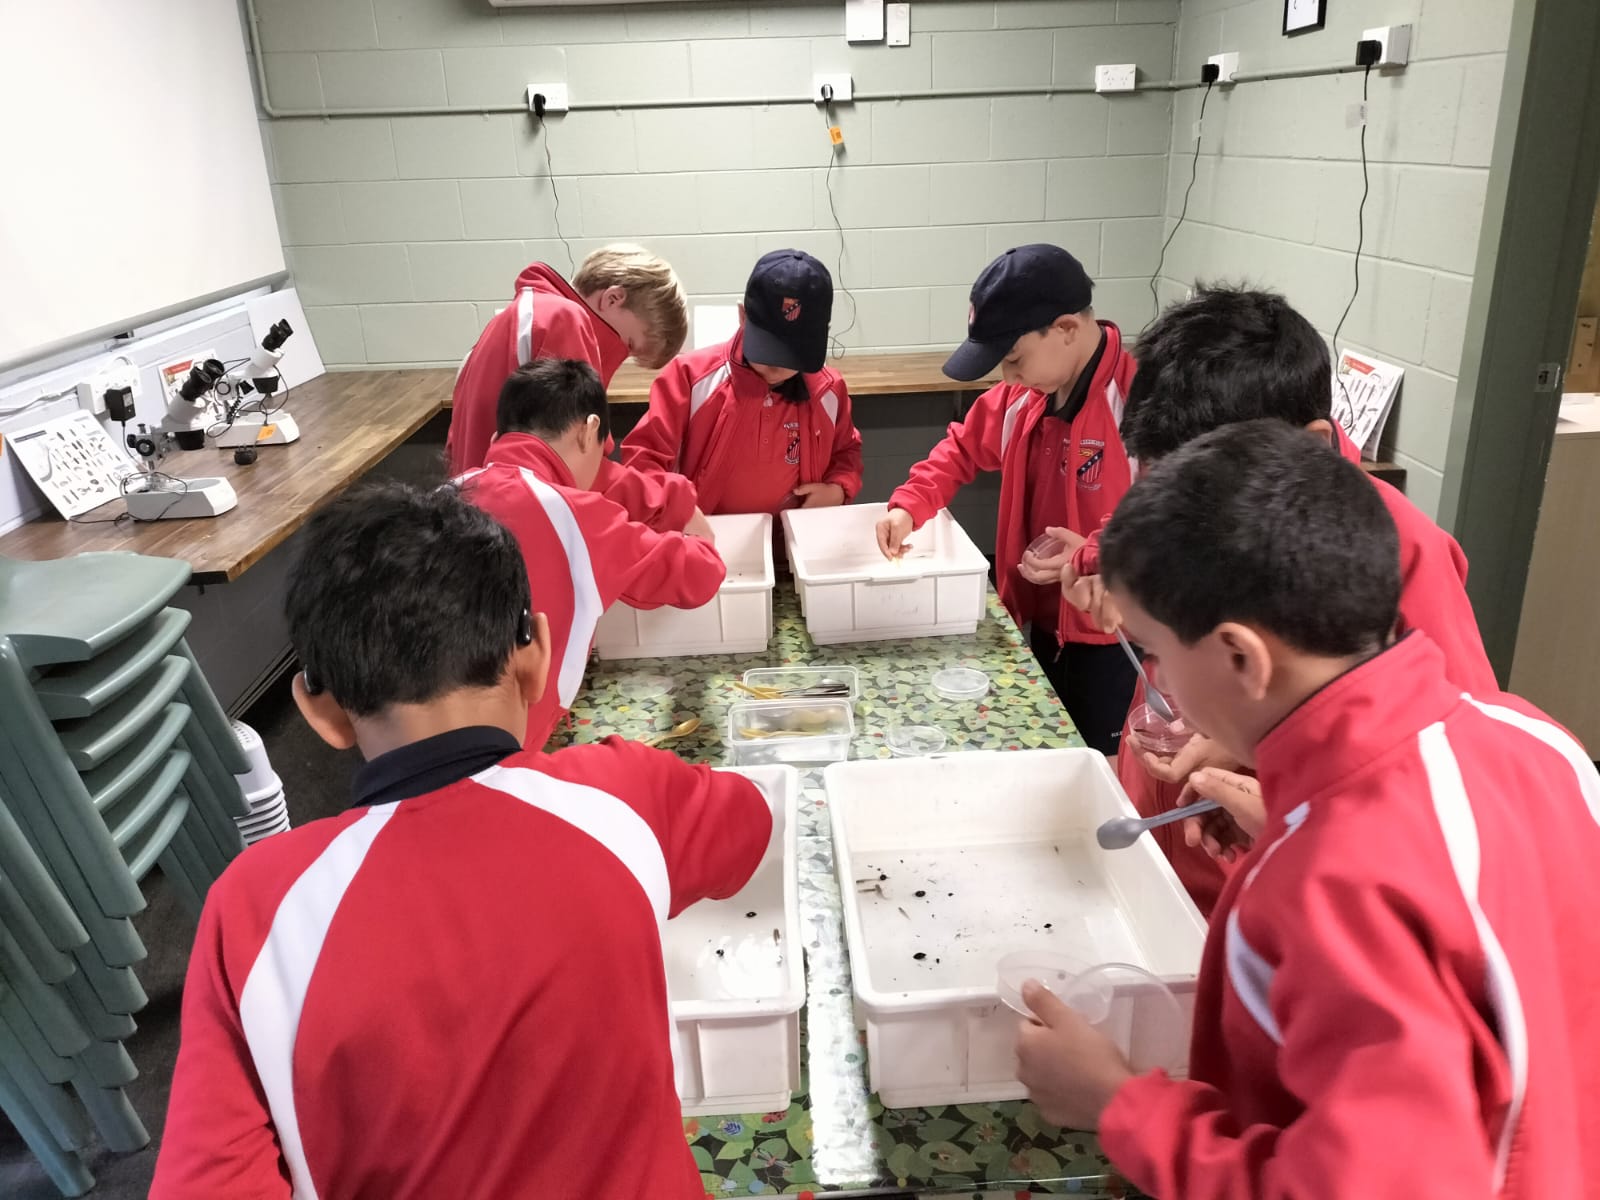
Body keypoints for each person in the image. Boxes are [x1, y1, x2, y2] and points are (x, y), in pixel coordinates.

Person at [1016, 421, 1600, 1197]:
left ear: (1240, 656)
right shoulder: (1538, 738)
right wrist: (1297, 828)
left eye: (1155, 650)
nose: (1158, 678)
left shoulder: (1332, 884)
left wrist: (1118, 1104)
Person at [151, 483, 773, 1200]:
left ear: (321, 712)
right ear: (535, 656)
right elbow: (751, 823)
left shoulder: (252, 909)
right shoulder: (622, 796)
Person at [1060, 285, 1497, 915]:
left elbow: (1445, 772)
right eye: (1157, 475)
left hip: (1262, 880)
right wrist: (1094, 563)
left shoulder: (1406, 553)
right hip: (1157, 835)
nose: (1179, 511)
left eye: (1203, 489)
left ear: (1312, 444)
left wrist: (1253, 746)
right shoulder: (1196, 502)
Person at [874, 244, 1137, 754]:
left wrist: (1097, 553)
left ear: (1065, 328)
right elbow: (959, 449)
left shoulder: (1139, 404)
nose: (1007, 377)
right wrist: (909, 506)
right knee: (1041, 747)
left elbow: (1173, 518)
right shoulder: (1024, 396)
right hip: (1034, 618)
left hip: (1110, 633)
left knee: (1101, 762)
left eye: (1014, 359)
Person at [460, 359, 726, 749]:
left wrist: (671, 498)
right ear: (589, 431)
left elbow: (601, 480)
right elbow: (697, 575)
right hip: (499, 749)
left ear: (498, 436)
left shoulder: (448, 494)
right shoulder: (574, 518)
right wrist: (702, 539)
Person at [449, 244, 702, 533]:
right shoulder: (563, 318)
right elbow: (580, 464)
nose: (620, 357)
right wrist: (671, 502)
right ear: (613, 298)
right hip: (514, 525)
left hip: (476, 522)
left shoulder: (510, 321)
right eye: (629, 344)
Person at [621, 249, 863, 517]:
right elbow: (644, 458)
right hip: (709, 534)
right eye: (769, 349)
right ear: (743, 316)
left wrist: (838, 489)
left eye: (793, 354)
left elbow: (847, 452)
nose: (778, 366)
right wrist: (673, 505)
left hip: (796, 536)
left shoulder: (828, 390)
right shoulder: (689, 378)